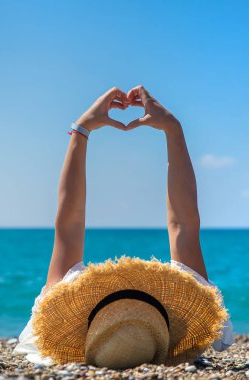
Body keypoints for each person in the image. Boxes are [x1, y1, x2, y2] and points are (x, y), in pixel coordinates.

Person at [13, 86, 233, 367]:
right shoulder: (196, 293)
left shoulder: (60, 292)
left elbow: (69, 222)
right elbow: (183, 223)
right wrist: (173, 129)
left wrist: (81, 129)